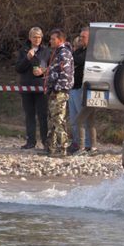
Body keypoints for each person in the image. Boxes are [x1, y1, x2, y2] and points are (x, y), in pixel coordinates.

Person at [15, 27, 51, 149]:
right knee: (29, 115)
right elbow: (18, 68)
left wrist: (43, 71)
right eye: (35, 37)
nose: (37, 39)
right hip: (26, 87)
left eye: (39, 37)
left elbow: (52, 67)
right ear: (30, 38)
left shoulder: (46, 51)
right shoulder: (23, 50)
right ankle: (31, 141)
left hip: (41, 87)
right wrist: (27, 58)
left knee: (42, 115)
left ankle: (45, 141)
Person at [45, 28, 75, 157]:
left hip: (60, 92)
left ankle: (63, 148)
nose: (50, 41)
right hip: (54, 91)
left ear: (60, 40)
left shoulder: (64, 53)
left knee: (58, 119)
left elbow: (65, 74)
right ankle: (51, 148)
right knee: (52, 119)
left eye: (53, 39)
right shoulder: (57, 52)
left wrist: (57, 88)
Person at [69, 27, 97, 154]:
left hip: (85, 89)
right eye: (80, 36)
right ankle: (84, 145)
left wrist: (74, 58)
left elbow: (77, 59)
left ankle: (85, 146)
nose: (80, 39)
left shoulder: (92, 52)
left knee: (81, 120)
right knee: (78, 119)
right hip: (74, 87)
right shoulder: (81, 50)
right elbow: (73, 57)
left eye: (83, 37)